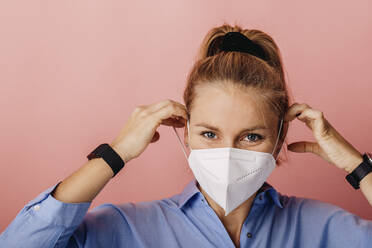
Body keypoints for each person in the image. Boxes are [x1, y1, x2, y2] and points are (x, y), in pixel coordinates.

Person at [1, 23, 372, 248]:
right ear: (186, 130)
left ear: (279, 137)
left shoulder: (323, 228)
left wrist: (357, 165)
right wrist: (115, 154)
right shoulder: (128, 229)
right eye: (210, 133)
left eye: (251, 137)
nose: (227, 152)